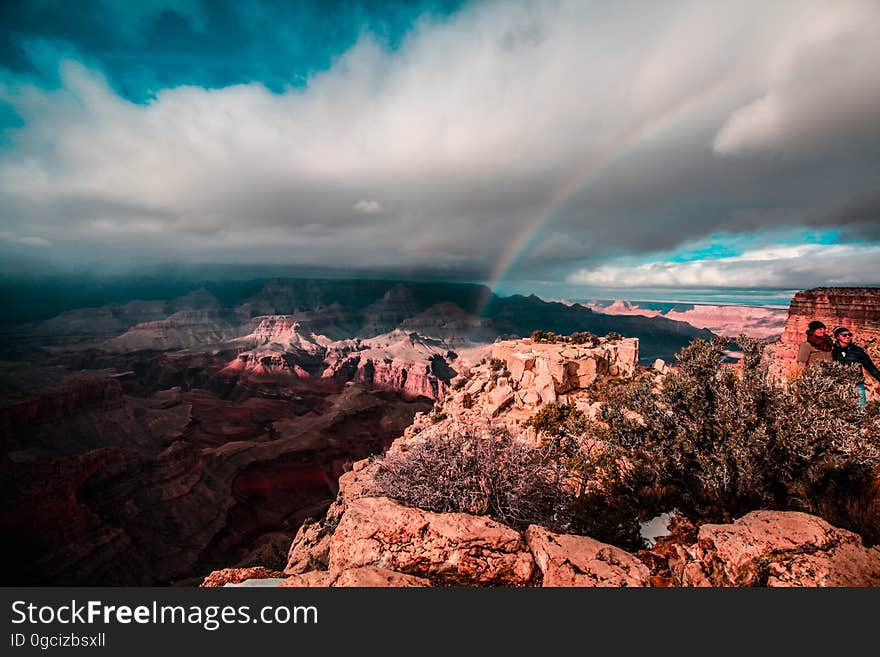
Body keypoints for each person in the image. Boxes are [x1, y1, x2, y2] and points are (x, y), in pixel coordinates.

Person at [832, 326, 880, 407]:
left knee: (860, 408)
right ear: (837, 337)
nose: (847, 336)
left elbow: (870, 367)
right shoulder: (832, 351)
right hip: (839, 384)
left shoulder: (857, 350)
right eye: (844, 335)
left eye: (849, 335)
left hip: (857, 384)